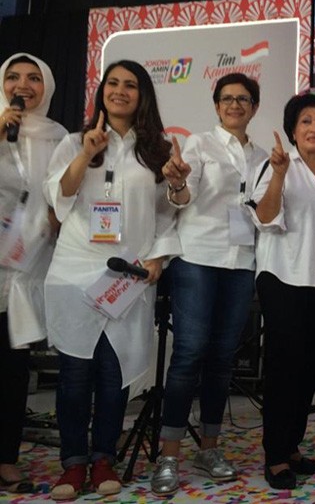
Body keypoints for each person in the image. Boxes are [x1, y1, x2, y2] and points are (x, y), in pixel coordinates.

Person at [44, 60, 179, 500]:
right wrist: (86, 152)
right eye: (113, 83)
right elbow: (60, 195)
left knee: (112, 370)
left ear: (143, 96)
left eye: (131, 85)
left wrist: (158, 256)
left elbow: (169, 209)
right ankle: (73, 464)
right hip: (74, 271)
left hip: (127, 274)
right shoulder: (72, 142)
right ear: (102, 91)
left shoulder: (158, 148)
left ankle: (104, 457)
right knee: (75, 373)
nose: (120, 91)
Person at [150, 73, 267, 495]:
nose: (235, 105)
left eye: (244, 99)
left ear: (254, 107)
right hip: (198, 258)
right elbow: (181, 198)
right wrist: (179, 181)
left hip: (241, 262)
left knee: (222, 358)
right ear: (217, 106)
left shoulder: (264, 156)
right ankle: (169, 456)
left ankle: (210, 447)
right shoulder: (198, 144)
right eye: (227, 99)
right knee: (189, 354)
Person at [251, 89, 315, 490]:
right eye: (306, 121)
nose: (314, 128)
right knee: (284, 369)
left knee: (308, 370)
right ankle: (274, 455)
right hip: (283, 278)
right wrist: (280, 175)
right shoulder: (275, 165)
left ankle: (291, 447)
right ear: (292, 128)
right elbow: (266, 217)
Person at [0, 53, 68, 495]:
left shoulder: (58, 135)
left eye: (32, 78)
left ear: (46, 86)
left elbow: (61, 193)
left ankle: (7, 459)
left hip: (26, 265)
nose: (23, 85)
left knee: (11, 367)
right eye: (13, 77)